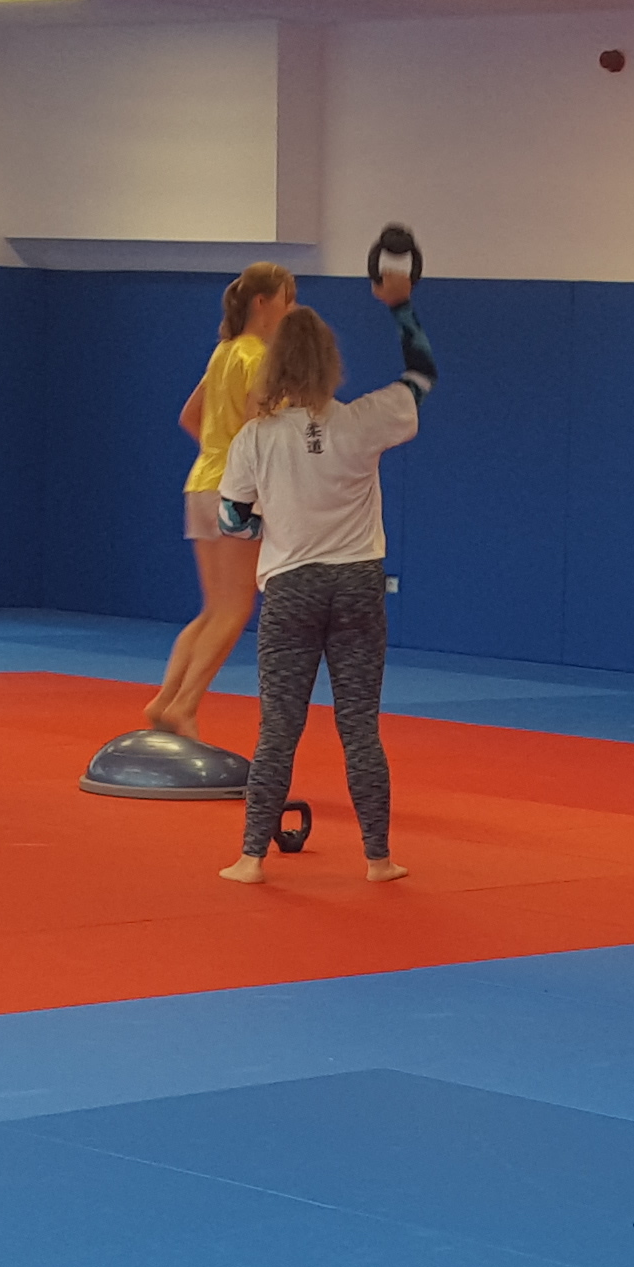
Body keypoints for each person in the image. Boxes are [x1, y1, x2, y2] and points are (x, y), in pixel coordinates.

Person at [211, 296, 439, 886]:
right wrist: (401, 308)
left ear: (275, 366)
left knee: (279, 727)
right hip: (359, 582)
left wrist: (273, 524)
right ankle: (378, 858)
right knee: (359, 726)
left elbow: (232, 519)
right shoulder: (365, 419)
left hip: (291, 587)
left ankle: (251, 859)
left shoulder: (256, 439)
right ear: (331, 363)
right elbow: (421, 375)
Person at [141, 262, 298, 738]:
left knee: (214, 607)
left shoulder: (224, 352)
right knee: (233, 609)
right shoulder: (261, 359)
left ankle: (165, 699)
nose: (292, 309)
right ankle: (184, 705)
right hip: (236, 491)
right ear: (263, 303)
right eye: (288, 299)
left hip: (202, 483)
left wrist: (218, 452)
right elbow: (256, 428)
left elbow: (190, 416)